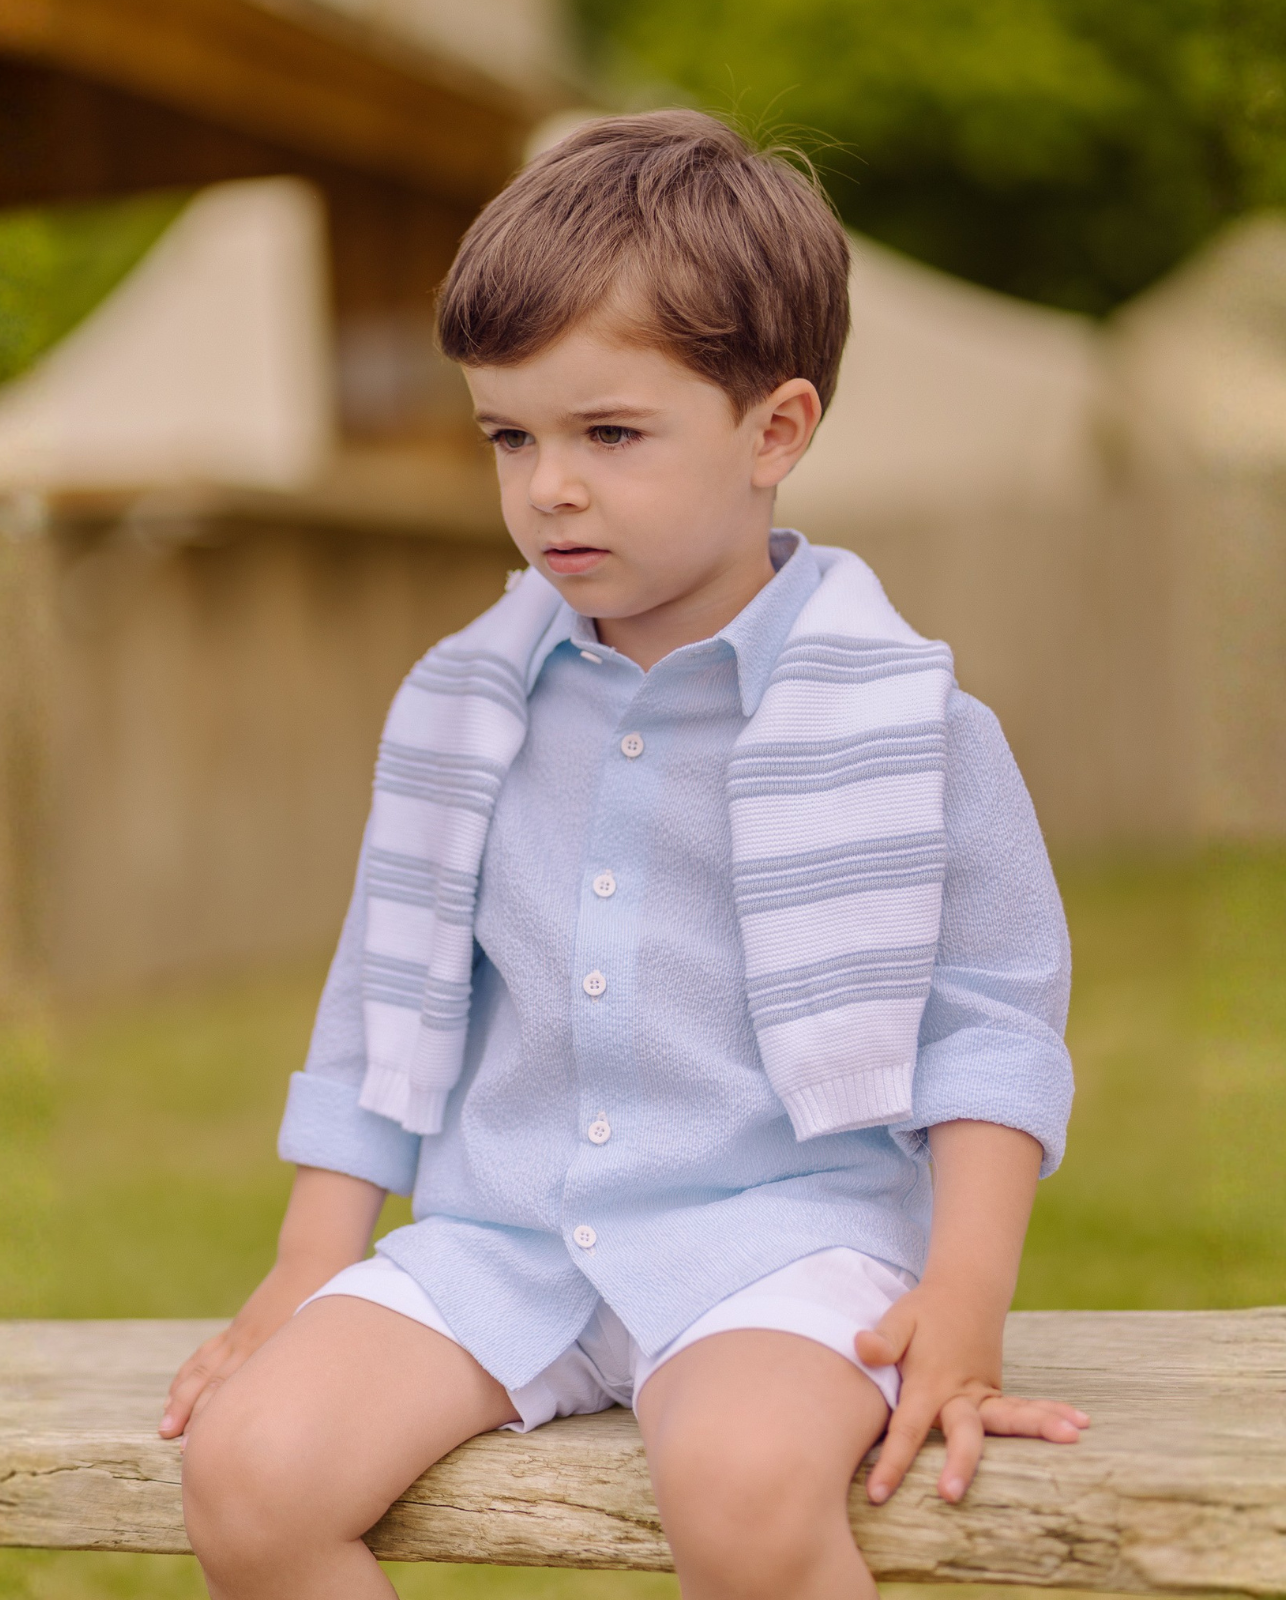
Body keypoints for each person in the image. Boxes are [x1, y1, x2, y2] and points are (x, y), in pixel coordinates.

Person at [165, 109, 1087, 1600]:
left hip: (779, 1244)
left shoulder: (905, 720)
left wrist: (963, 1295)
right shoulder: (467, 709)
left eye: (609, 434)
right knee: (249, 1471)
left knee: (737, 1486)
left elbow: (989, 1024)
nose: (550, 489)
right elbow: (388, 991)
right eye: (510, 438)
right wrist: (308, 1258)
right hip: (507, 1233)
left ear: (775, 430)